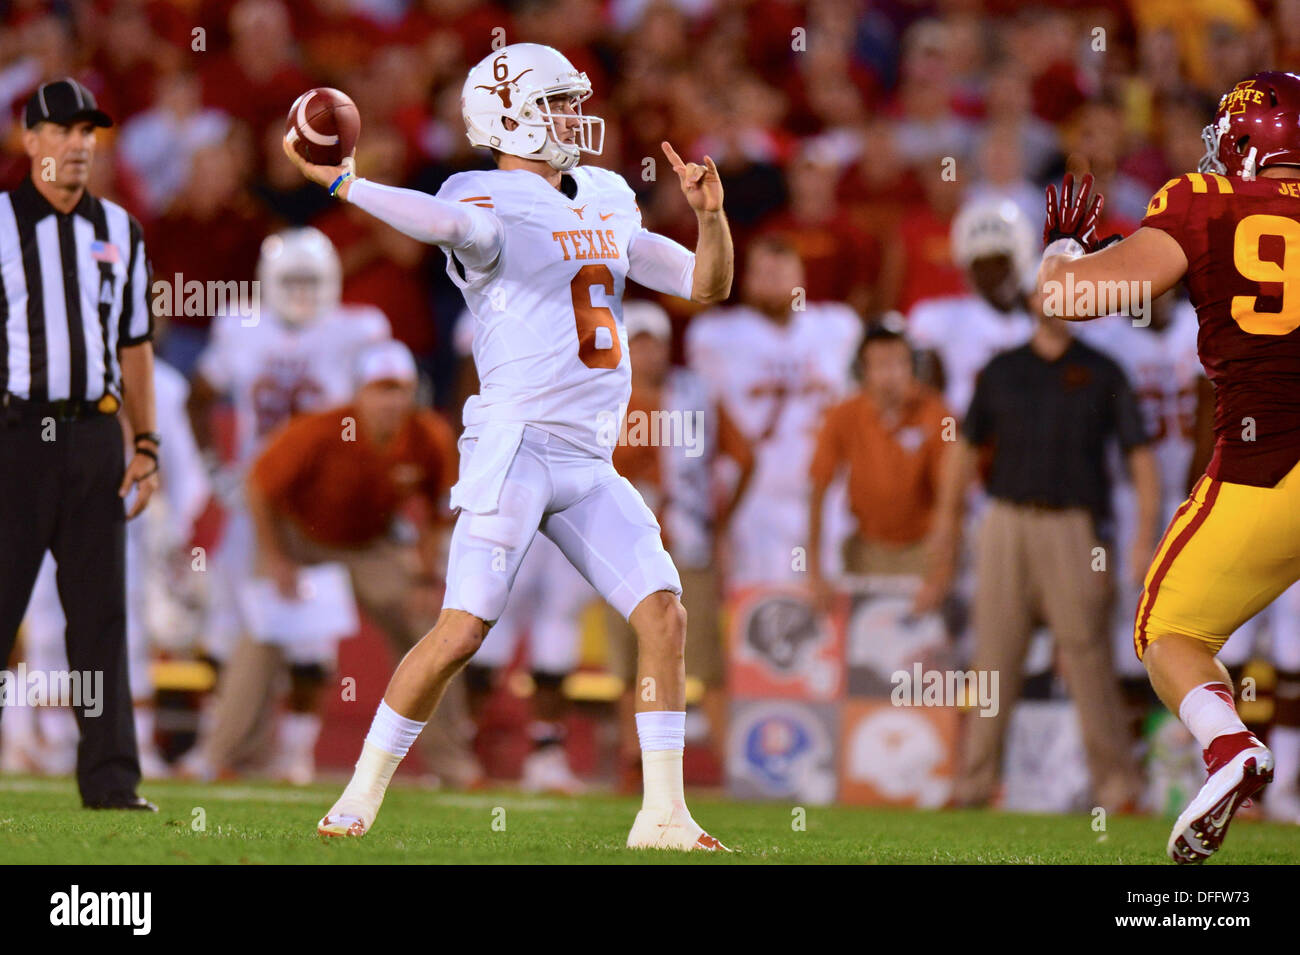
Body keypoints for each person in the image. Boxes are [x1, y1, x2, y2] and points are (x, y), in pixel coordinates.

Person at [282, 42, 734, 850]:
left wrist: (708, 216)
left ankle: (663, 814)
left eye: (572, 102)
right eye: (558, 103)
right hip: (519, 443)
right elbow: (444, 221)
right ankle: (360, 790)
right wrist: (347, 184)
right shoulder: (483, 197)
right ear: (510, 113)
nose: (574, 118)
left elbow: (706, 284)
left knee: (664, 612)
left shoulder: (600, 192)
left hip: (590, 459)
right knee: (462, 629)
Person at [1036, 71, 1300, 862]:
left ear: (1249, 143)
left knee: (1169, 627)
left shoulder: (1202, 199)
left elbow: (1070, 301)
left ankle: (1228, 748)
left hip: (1269, 461)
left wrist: (1062, 252)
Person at [927, 297, 1158, 816]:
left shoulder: (1103, 370)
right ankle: (973, 786)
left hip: (1074, 526)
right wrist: (946, 529)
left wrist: (1144, 537)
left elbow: (1139, 457)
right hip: (1005, 521)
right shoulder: (1001, 369)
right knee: (994, 658)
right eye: (1052, 291)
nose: (1061, 303)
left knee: (1088, 656)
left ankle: (1117, 790)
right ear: (1034, 300)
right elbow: (963, 450)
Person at [0, 78, 160, 810]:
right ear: (27, 139)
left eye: (88, 132)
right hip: (15, 437)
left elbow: (134, 344)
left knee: (101, 618)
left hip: (96, 435)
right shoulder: (0, 224)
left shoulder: (122, 230)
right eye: (61, 130)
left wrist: (146, 442)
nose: (77, 144)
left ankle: (111, 784)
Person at [183, 227, 391, 781]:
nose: (301, 293)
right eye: (291, 281)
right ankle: (219, 742)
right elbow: (198, 398)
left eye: (311, 281)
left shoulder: (358, 330)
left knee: (309, 630)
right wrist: (214, 470)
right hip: (255, 499)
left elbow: (382, 408)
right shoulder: (240, 327)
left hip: (314, 505)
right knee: (227, 626)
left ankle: (295, 751)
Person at [233, 340, 472, 787]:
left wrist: (425, 574)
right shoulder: (321, 429)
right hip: (302, 539)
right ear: (359, 393)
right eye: (380, 390)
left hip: (370, 545)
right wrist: (276, 559)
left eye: (398, 389)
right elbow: (259, 487)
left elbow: (441, 510)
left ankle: (454, 764)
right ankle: (228, 754)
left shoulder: (428, 435)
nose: (391, 401)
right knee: (261, 636)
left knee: (436, 633)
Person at [606, 301, 755, 785]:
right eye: (639, 341)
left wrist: (721, 522)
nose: (647, 352)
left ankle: (734, 768)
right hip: (622, 546)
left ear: (669, 346)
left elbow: (744, 456)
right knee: (628, 660)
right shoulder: (606, 395)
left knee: (707, 659)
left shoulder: (696, 395)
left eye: (655, 342)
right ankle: (634, 764)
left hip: (687, 544)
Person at [686, 235, 861, 591]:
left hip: (825, 494)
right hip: (755, 499)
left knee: (829, 610)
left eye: (782, 273)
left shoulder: (836, 327)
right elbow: (705, 423)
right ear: (744, 279)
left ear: (802, 279)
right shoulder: (718, 335)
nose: (774, 283)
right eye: (763, 274)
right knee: (760, 610)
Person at [807, 320, 953, 603]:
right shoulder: (844, 415)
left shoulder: (936, 413)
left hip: (923, 549)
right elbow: (818, 489)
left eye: (899, 363)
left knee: (922, 642)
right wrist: (814, 570)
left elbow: (950, 498)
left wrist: (942, 572)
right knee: (863, 638)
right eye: (881, 364)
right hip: (866, 548)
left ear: (913, 368)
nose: (891, 374)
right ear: (862, 372)